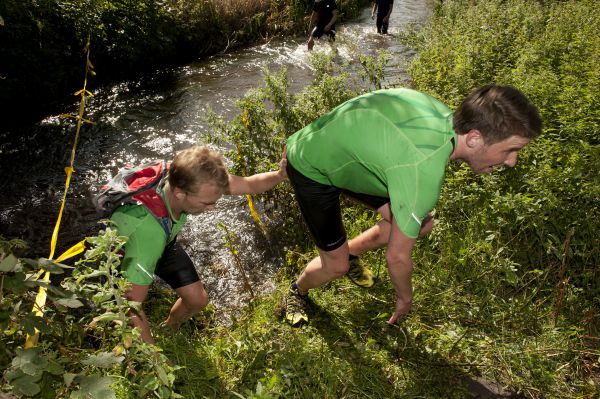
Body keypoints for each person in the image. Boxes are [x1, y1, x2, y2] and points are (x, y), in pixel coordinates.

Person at [282, 85, 542, 327]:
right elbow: (397, 257)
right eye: (511, 150)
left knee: (420, 224)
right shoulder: (422, 169)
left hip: (353, 160)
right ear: (474, 138)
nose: (512, 162)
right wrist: (405, 299)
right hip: (312, 168)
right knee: (334, 266)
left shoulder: (442, 116)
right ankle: (297, 291)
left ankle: (350, 253)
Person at [110, 145, 287, 343]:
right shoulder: (148, 234)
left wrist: (280, 175)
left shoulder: (190, 177)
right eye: (206, 203)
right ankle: (142, 353)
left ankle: (169, 329)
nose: (212, 208)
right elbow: (131, 306)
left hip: (164, 242)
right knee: (125, 302)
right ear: (180, 193)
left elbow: (248, 185)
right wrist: (155, 361)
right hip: (132, 250)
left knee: (198, 301)